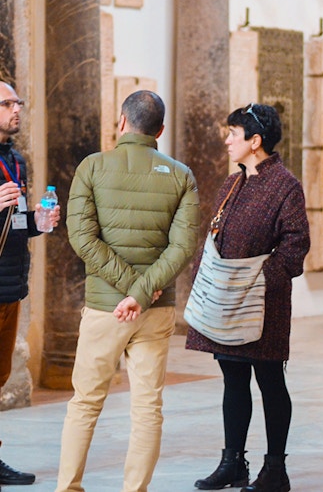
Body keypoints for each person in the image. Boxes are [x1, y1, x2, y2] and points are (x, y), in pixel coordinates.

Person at [55, 90, 200, 492]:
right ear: (161, 130)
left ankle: (68, 488)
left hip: (105, 308)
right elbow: (183, 247)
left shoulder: (93, 167)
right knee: (148, 409)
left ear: (121, 122)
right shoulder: (180, 175)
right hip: (154, 311)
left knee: (84, 404)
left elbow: (82, 238)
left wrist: (127, 290)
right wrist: (142, 291)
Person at [186, 103, 310, 492]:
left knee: (271, 382)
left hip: (264, 305)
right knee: (232, 380)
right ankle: (232, 463)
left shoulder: (286, 185)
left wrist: (258, 282)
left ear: (255, 141)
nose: (227, 140)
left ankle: (275, 470)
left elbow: (296, 246)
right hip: (225, 302)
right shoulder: (232, 183)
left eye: (233, 134)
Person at [0, 80, 60, 487]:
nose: (16, 109)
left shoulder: (16, 160)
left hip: (10, 288)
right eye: (7, 103)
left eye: (18, 102)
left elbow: (14, 222)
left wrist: (36, 223)